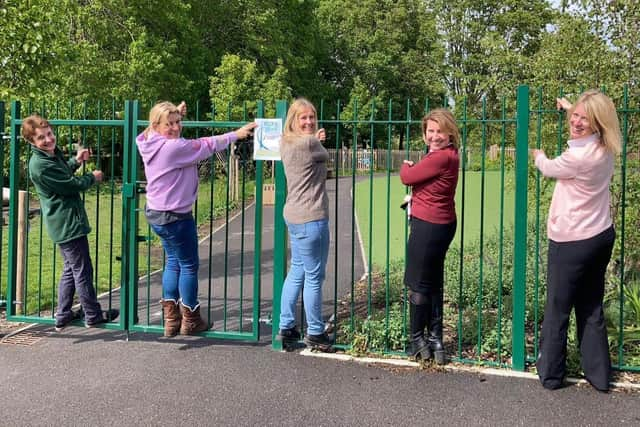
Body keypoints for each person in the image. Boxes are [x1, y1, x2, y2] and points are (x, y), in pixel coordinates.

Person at [136, 101, 256, 337]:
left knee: (173, 261)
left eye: (178, 122)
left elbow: (157, 128)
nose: (175, 127)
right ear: (156, 125)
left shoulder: (147, 141)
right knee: (189, 265)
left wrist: (173, 114)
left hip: (157, 214)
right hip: (176, 216)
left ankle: (171, 319)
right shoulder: (173, 148)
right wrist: (237, 134)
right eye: (169, 124)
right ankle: (191, 320)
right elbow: (207, 145)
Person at [532, 90, 621, 392]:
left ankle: (551, 375)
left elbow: (549, 168)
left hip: (572, 240)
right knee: (591, 306)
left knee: (558, 307)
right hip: (601, 235)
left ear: (597, 123)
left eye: (585, 118)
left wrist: (538, 155)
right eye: (576, 116)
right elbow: (587, 122)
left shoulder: (578, 157)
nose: (577, 121)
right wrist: (572, 108)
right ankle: (599, 376)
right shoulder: (606, 146)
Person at [22, 114, 119, 331]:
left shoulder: (49, 156)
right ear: (31, 142)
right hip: (67, 224)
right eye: (41, 138)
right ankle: (93, 315)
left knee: (70, 268)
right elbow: (70, 185)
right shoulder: (40, 164)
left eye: (49, 134)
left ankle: (63, 314)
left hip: (65, 223)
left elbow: (63, 173)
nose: (48, 139)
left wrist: (77, 160)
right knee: (82, 270)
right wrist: (92, 177)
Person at [400, 108, 460, 364]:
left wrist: (406, 164)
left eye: (440, 132)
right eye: (430, 131)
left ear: (450, 134)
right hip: (443, 223)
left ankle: (417, 340)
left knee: (418, 284)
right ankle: (435, 341)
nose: (434, 136)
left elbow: (407, 177)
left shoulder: (439, 158)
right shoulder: (450, 155)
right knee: (433, 283)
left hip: (428, 225)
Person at [277, 98, 333, 352]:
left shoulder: (285, 142)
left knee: (297, 269)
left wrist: (316, 140)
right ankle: (315, 331)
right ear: (294, 120)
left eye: (312, 117)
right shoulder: (311, 143)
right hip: (312, 216)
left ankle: (286, 326)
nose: (309, 122)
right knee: (314, 276)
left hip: (293, 214)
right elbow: (326, 155)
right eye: (304, 118)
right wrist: (319, 139)